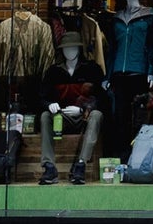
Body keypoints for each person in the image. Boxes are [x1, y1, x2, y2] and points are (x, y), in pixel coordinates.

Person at [37, 32, 107, 186]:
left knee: (97, 115)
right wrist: (49, 104)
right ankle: (49, 166)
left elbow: (102, 98)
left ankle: (81, 164)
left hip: (84, 117)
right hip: (61, 117)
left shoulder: (92, 69)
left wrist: (84, 109)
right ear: (61, 50)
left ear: (79, 49)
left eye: (74, 48)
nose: (70, 52)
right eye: (67, 48)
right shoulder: (53, 72)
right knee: (44, 116)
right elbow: (41, 97)